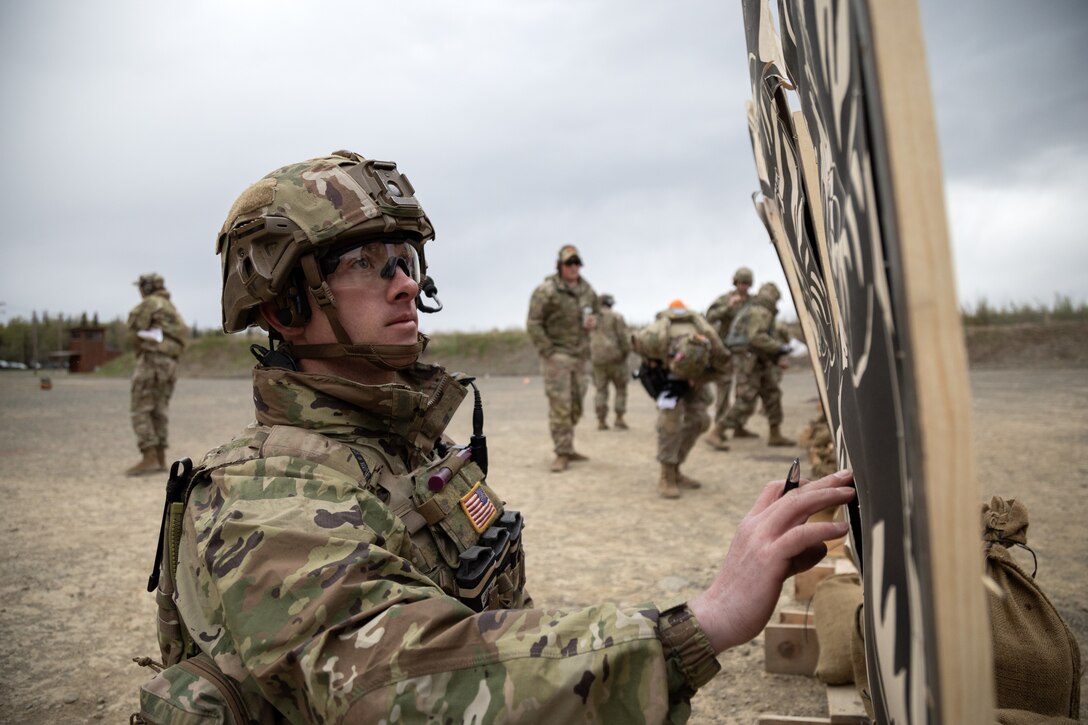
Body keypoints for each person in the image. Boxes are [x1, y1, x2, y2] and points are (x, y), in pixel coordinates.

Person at [140, 151, 855, 723]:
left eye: (404, 257)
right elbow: (392, 686)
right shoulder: (265, 494)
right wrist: (698, 622)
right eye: (362, 261)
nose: (399, 283)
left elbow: (489, 623)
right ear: (284, 302)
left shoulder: (399, 445)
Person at [634, 300, 731, 498]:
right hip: (670, 380)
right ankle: (666, 476)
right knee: (669, 424)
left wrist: (699, 378)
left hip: (695, 380)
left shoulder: (708, 339)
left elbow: (724, 368)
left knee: (700, 420)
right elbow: (637, 346)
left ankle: (676, 468)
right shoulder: (657, 336)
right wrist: (655, 365)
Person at [527, 244, 599, 472]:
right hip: (557, 356)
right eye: (569, 263)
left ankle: (568, 445)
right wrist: (548, 351)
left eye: (577, 263)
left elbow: (596, 313)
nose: (574, 267)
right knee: (561, 406)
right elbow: (534, 323)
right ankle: (562, 452)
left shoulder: (587, 290)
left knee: (576, 404)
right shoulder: (546, 290)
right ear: (560, 265)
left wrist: (594, 322)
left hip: (580, 356)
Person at [124, 272, 187, 476]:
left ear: (146, 288)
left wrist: (140, 348)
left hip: (153, 360)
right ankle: (160, 458)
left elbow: (134, 328)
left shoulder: (151, 303)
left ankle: (149, 457)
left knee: (141, 408)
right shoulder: (171, 308)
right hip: (170, 363)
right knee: (159, 409)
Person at [720, 282, 796, 447]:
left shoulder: (755, 308)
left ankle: (775, 434)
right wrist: (779, 348)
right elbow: (756, 338)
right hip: (750, 361)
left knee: (772, 394)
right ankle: (717, 431)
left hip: (759, 361)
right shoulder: (761, 311)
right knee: (746, 399)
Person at [704, 266, 754, 449]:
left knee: (743, 390)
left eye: (747, 284)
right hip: (724, 352)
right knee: (723, 391)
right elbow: (709, 317)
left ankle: (738, 426)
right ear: (735, 282)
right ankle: (719, 429)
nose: (744, 287)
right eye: (741, 283)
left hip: (743, 353)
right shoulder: (725, 299)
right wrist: (728, 307)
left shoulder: (752, 302)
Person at [589, 293, 631, 430]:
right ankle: (619, 418)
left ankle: (601, 420)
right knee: (620, 389)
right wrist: (626, 352)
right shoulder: (616, 317)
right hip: (616, 359)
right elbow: (624, 338)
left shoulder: (591, 318)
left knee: (600, 390)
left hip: (597, 359)